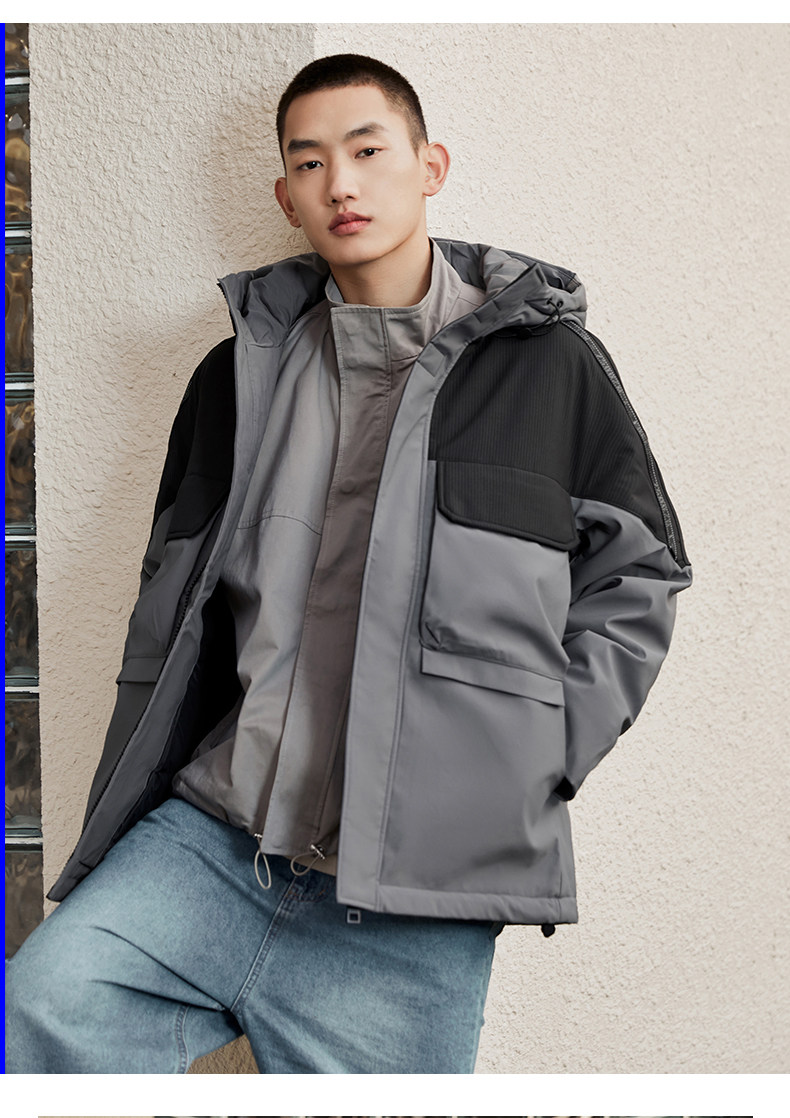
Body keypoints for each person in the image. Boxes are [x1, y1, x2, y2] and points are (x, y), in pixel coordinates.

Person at [5, 53, 691, 1074]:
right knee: (40, 1000)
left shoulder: (546, 365)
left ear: (430, 166)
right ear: (286, 196)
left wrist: (530, 759)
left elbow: (640, 576)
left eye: (368, 152)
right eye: (311, 162)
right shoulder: (238, 374)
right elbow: (179, 593)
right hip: (217, 840)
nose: (341, 184)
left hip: (418, 895)